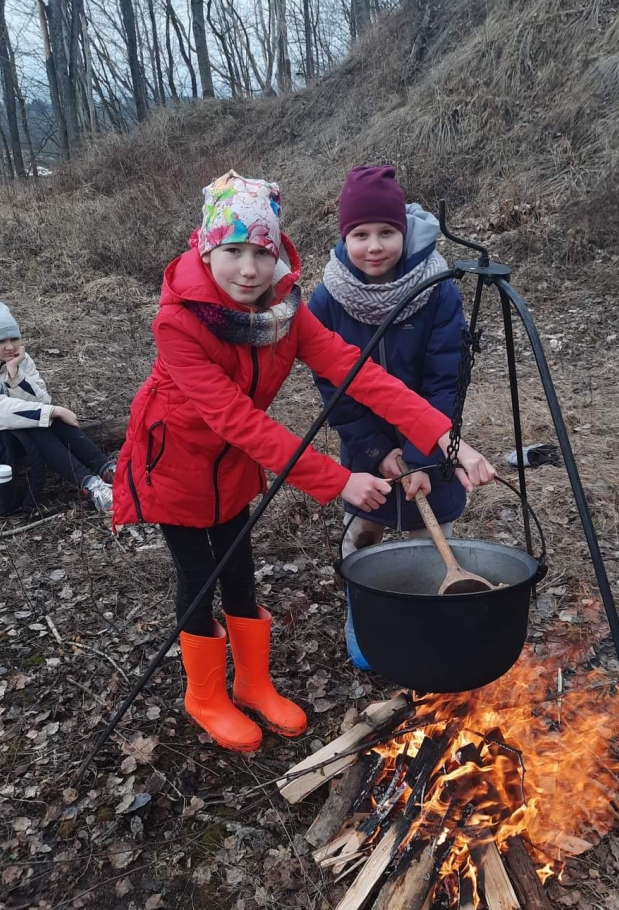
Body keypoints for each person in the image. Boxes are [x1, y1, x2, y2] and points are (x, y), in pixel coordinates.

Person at [112, 171, 495, 754]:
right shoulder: (178, 322)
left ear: (277, 254)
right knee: (199, 578)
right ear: (205, 249)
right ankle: (206, 696)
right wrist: (338, 480)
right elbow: (236, 418)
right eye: (231, 252)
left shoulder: (287, 311)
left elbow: (361, 373)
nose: (247, 269)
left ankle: (254, 682)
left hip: (233, 463)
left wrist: (449, 443)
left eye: (260, 253)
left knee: (239, 568)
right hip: (175, 462)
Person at [308, 165, 467, 669]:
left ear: (403, 231)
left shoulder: (437, 289)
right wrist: (376, 451)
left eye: (386, 232)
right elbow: (333, 387)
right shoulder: (327, 298)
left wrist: (421, 456)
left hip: (430, 439)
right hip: (365, 443)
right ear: (344, 237)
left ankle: (429, 622)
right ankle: (367, 619)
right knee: (362, 534)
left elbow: (446, 380)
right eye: (360, 234)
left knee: (427, 535)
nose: (373, 246)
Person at [0, 300, 115, 513]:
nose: (10, 346)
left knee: (45, 418)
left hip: (14, 431)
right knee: (36, 423)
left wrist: (15, 374)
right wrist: (53, 411)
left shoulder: (20, 359)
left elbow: (41, 401)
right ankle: (91, 486)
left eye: (14, 338)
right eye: (1, 340)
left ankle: (109, 470)